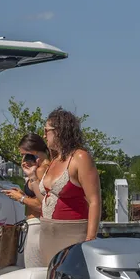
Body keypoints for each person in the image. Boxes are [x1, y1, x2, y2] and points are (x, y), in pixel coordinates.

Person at [28, 107, 101, 265]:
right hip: (47, 236)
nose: (43, 135)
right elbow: (47, 200)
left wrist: (90, 239)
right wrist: (33, 178)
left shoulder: (80, 157)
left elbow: (94, 200)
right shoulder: (55, 159)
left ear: (59, 131)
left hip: (72, 236)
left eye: (46, 130)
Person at [2, 133, 49, 268]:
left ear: (33, 152)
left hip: (37, 226)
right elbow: (39, 197)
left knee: (34, 270)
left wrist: (21, 198)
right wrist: (23, 194)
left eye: (25, 154)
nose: (23, 158)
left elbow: (43, 204)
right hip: (37, 225)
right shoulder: (45, 168)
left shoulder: (41, 170)